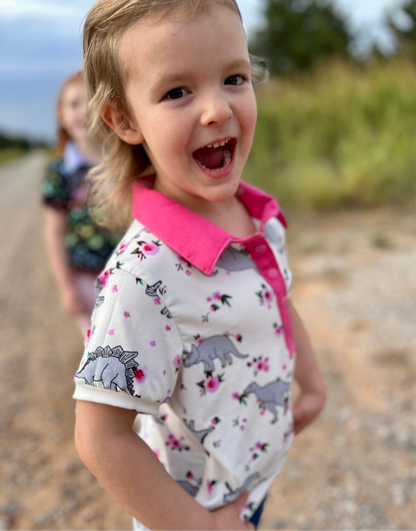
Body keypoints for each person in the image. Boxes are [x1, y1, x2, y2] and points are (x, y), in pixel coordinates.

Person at [73, 1, 327, 530]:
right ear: (123, 119)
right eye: (177, 92)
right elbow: (100, 436)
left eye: (233, 77)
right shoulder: (144, 277)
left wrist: (313, 381)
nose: (216, 110)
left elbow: (277, 300)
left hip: (251, 483)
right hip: (195, 513)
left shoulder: (258, 216)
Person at [42, 72, 120, 338]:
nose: (84, 111)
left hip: (125, 269)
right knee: (98, 344)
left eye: (91, 102)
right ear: (61, 115)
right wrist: (66, 288)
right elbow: (55, 232)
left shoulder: (123, 160)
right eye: (74, 104)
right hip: (85, 275)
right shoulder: (60, 171)